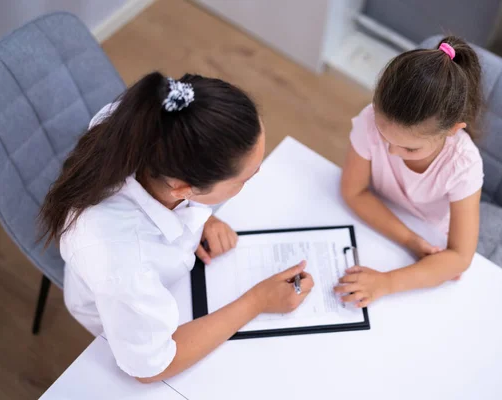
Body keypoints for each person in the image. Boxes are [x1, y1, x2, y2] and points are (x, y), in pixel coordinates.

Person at [39, 72, 314, 382]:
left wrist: (202, 217)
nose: (256, 177)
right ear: (183, 188)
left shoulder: (160, 121)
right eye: (245, 179)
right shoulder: (122, 262)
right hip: (127, 315)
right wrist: (258, 301)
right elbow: (152, 366)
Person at [335, 36, 483, 307]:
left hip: (431, 235)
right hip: (389, 220)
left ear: (451, 132)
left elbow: (460, 257)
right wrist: (410, 241)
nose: (391, 152)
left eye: (410, 149)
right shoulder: (371, 119)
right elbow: (353, 191)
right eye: (384, 136)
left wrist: (386, 283)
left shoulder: (464, 164)